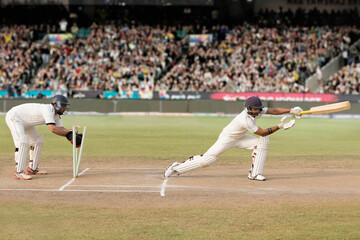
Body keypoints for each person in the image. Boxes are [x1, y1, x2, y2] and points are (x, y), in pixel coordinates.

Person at [164, 96, 303, 181]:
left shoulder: (257, 110)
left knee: (263, 142)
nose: (258, 111)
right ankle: (176, 168)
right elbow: (262, 132)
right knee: (207, 160)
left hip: (240, 138)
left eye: (259, 109)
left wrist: (291, 110)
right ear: (249, 108)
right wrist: (280, 126)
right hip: (227, 139)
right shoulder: (245, 120)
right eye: (255, 109)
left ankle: (254, 174)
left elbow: (273, 111)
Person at [5, 95, 83, 180]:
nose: (65, 108)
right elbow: (53, 129)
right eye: (63, 106)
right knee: (22, 142)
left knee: (37, 141)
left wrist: (71, 134)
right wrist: (68, 134)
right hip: (14, 117)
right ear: (57, 104)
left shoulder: (56, 115)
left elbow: (61, 129)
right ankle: (18, 172)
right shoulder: (48, 110)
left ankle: (32, 168)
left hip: (26, 122)